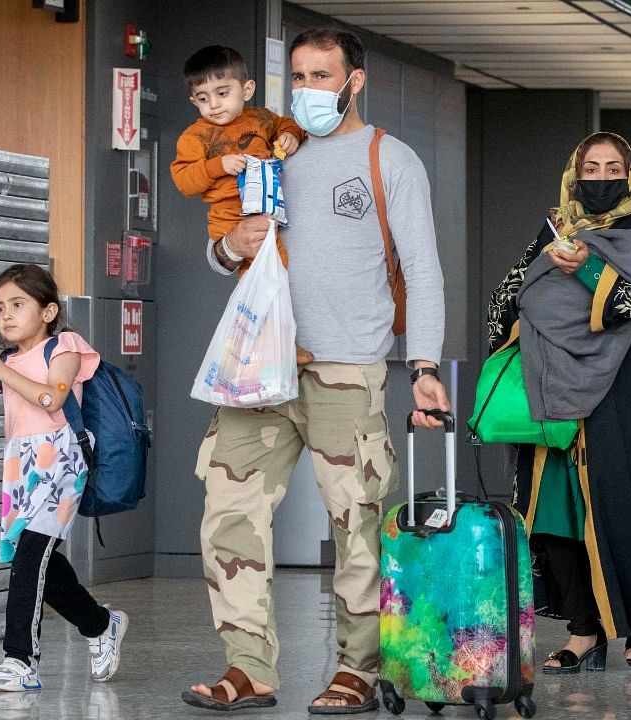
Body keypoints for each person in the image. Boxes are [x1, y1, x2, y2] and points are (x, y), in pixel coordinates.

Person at [183, 27, 449, 713]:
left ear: (354, 81)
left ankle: (357, 669)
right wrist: (228, 245)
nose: (306, 91)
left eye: (321, 76)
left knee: (355, 523)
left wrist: (423, 363)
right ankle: (249, 668)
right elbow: (227, 256)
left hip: (347, 370)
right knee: (228, 514)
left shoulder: (390, 158)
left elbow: (422, 268)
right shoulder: (267, 155)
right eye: (297, 77)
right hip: (258, 368)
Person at [486, 131, 631, 674]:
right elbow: (505, 299)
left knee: (617, 505)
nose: (601, 179)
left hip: (616, 392)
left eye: (613, 169)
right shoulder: (555, 227)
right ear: (574, 171)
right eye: (591, 167)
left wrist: (585, 267)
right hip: (553, 385)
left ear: (629, 176)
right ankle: (584, 630)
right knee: (555, 511)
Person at [0, 265, 128, 692]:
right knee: (40, 564)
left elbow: (52, 396)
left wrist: (2, 376)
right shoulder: (4, 361)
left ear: (49, 310)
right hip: (21, 467)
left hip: (62, 461)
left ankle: (19, 661)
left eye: (18, 305)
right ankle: (100, 624)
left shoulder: (65, 346)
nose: (6, 316)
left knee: (30, 559)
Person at [171, 45, 304, 249]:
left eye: (222, 93)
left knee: (280, 263)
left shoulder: (260, 118)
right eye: (203, 99)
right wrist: (218, 166)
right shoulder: (194, 136)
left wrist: (290, 135)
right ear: (194, 101)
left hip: (268, 206)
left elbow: (285, 124)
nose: (214, 104)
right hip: (229, 220)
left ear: (247, 90)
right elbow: (184, 181)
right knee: (257, 270)